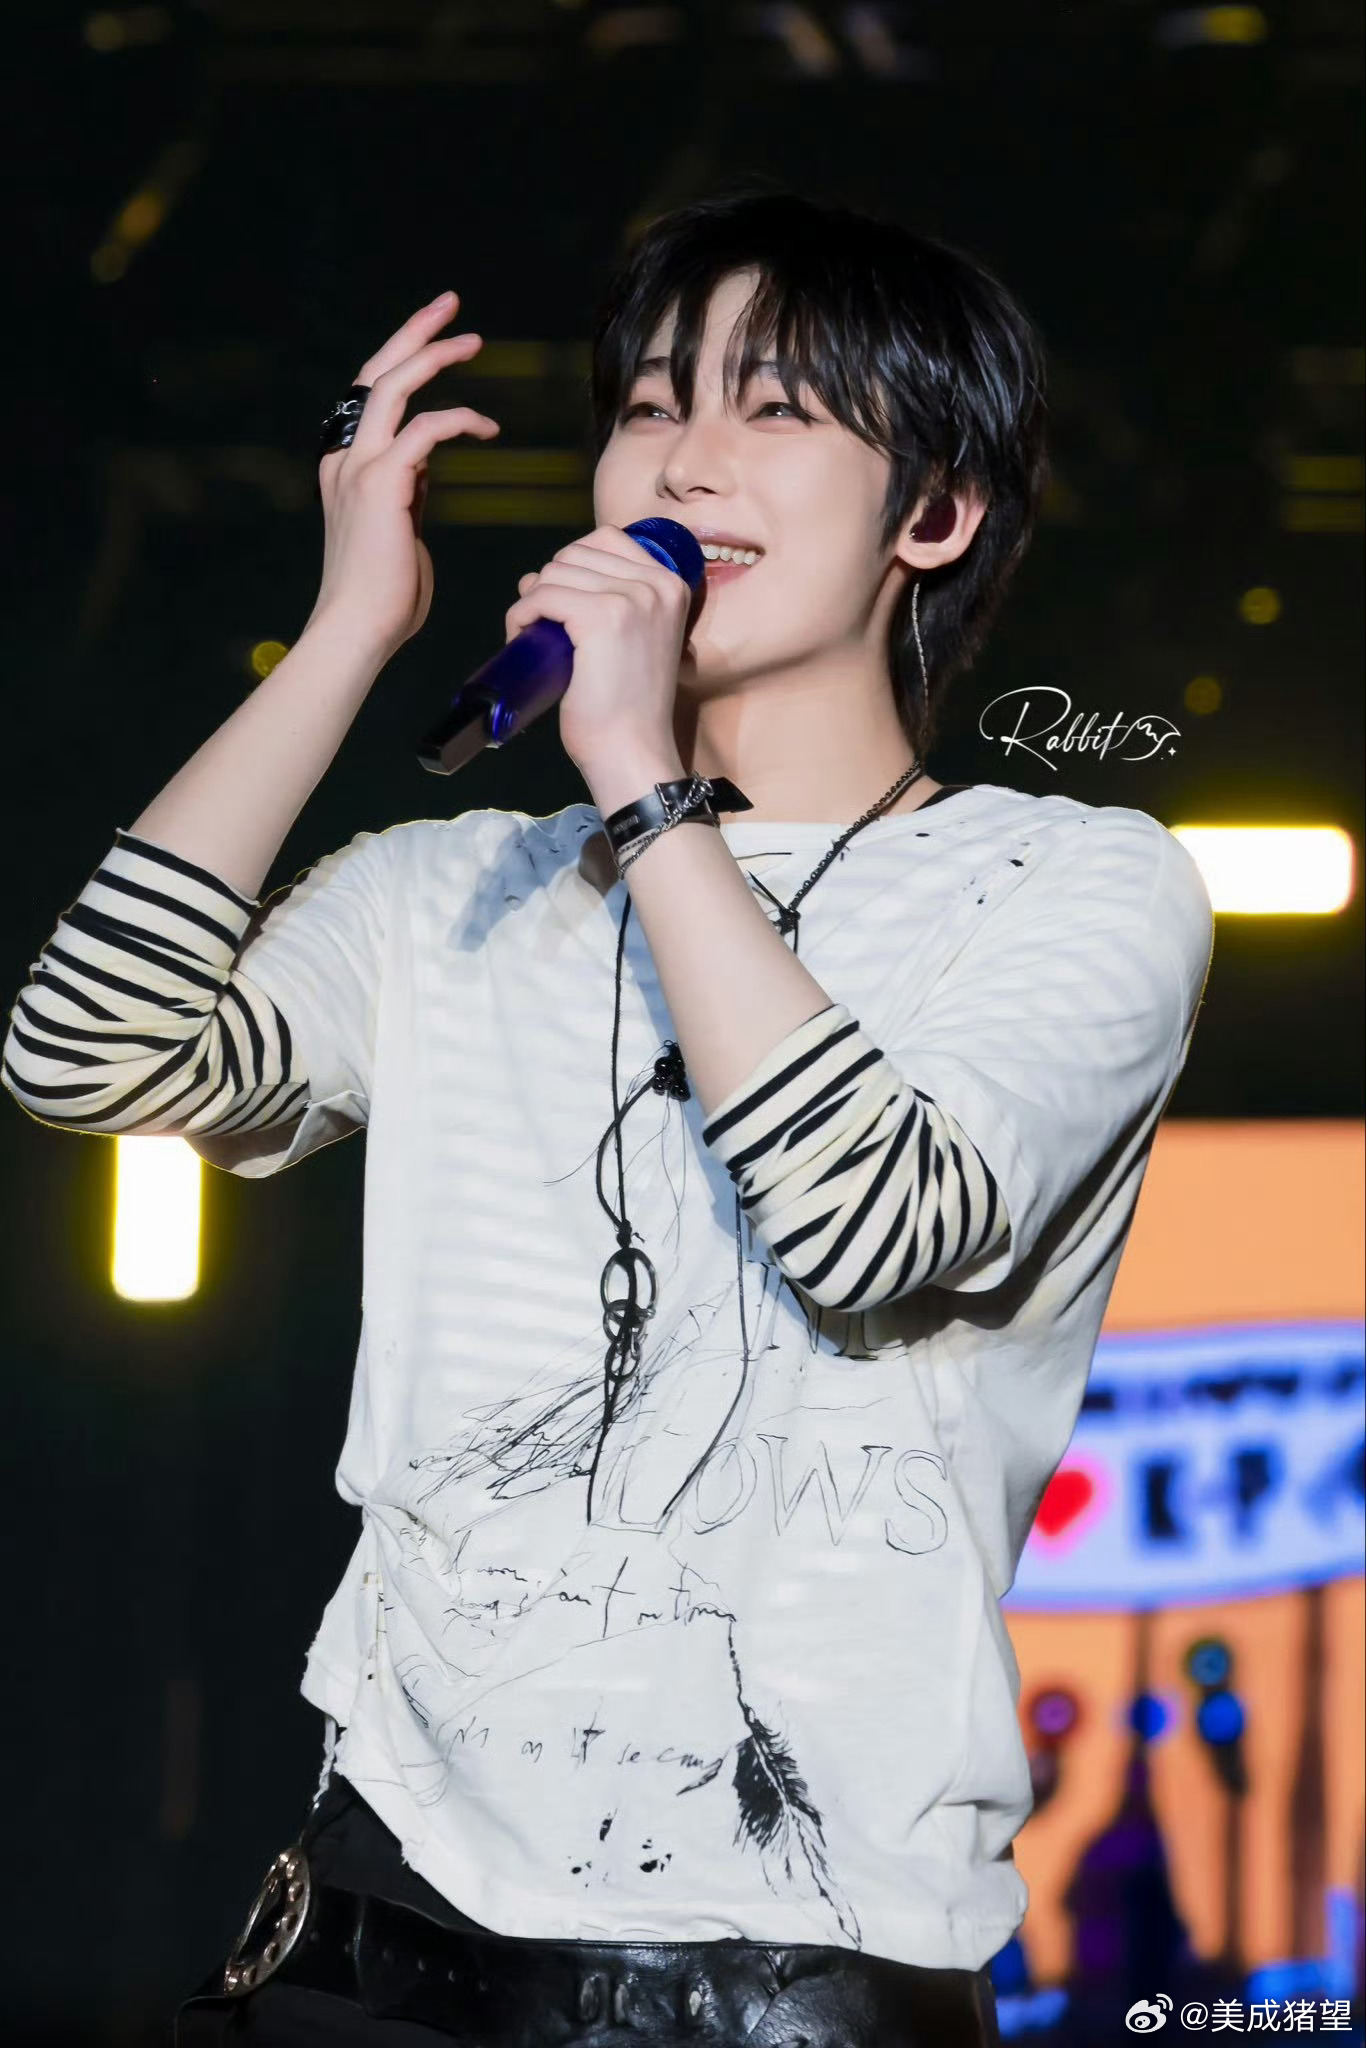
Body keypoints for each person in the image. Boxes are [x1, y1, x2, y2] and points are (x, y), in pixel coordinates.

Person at [2, 185, 1214, 2047]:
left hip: (791, 1968)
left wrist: (647, 787)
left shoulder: (1066, 883)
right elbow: (86, 1052)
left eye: (774, 409)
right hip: (382, 1929)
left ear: (936, 514)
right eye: (651, 405)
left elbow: (869, 1225)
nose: (686, 458)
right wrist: (346, 633)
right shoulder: (453, 889)